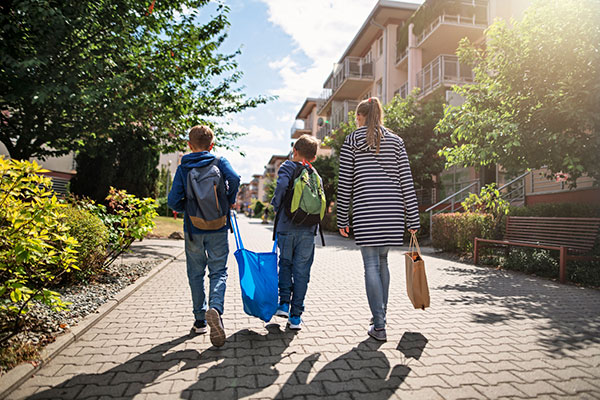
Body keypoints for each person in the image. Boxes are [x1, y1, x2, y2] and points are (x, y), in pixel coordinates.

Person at [336, 97, 420, 342]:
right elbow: (406, 180)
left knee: (371, 265)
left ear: (360, 117)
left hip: (366, 210)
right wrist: (413, 217)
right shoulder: (396, 142)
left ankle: (380, 324)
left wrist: (342, 217)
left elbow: (345, 183)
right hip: (392, 212)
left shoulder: (352, 140)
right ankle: (380, 317)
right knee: (382, 262)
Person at [168, 125, 240, 347]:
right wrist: (228, 201)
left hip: (193, 228)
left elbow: (172, 201)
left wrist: (186, 208)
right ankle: (216, 308)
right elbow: (235, 178)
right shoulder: (219, 161)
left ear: (189, 145)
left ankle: (200, 321)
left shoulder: (184, 167)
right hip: (218, 226)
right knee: (219, 271)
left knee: (195, 273)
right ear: (212, 145)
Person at [270, 134, 321, 330]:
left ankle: (283, 303)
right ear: (314, 157)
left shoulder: (288, 167)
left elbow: (282, 186)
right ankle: (296, 316)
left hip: (286, 226)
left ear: (295, 151)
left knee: (285, 263)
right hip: (308, 230)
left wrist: (277, 205)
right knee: (302, 272)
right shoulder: (315, 174)